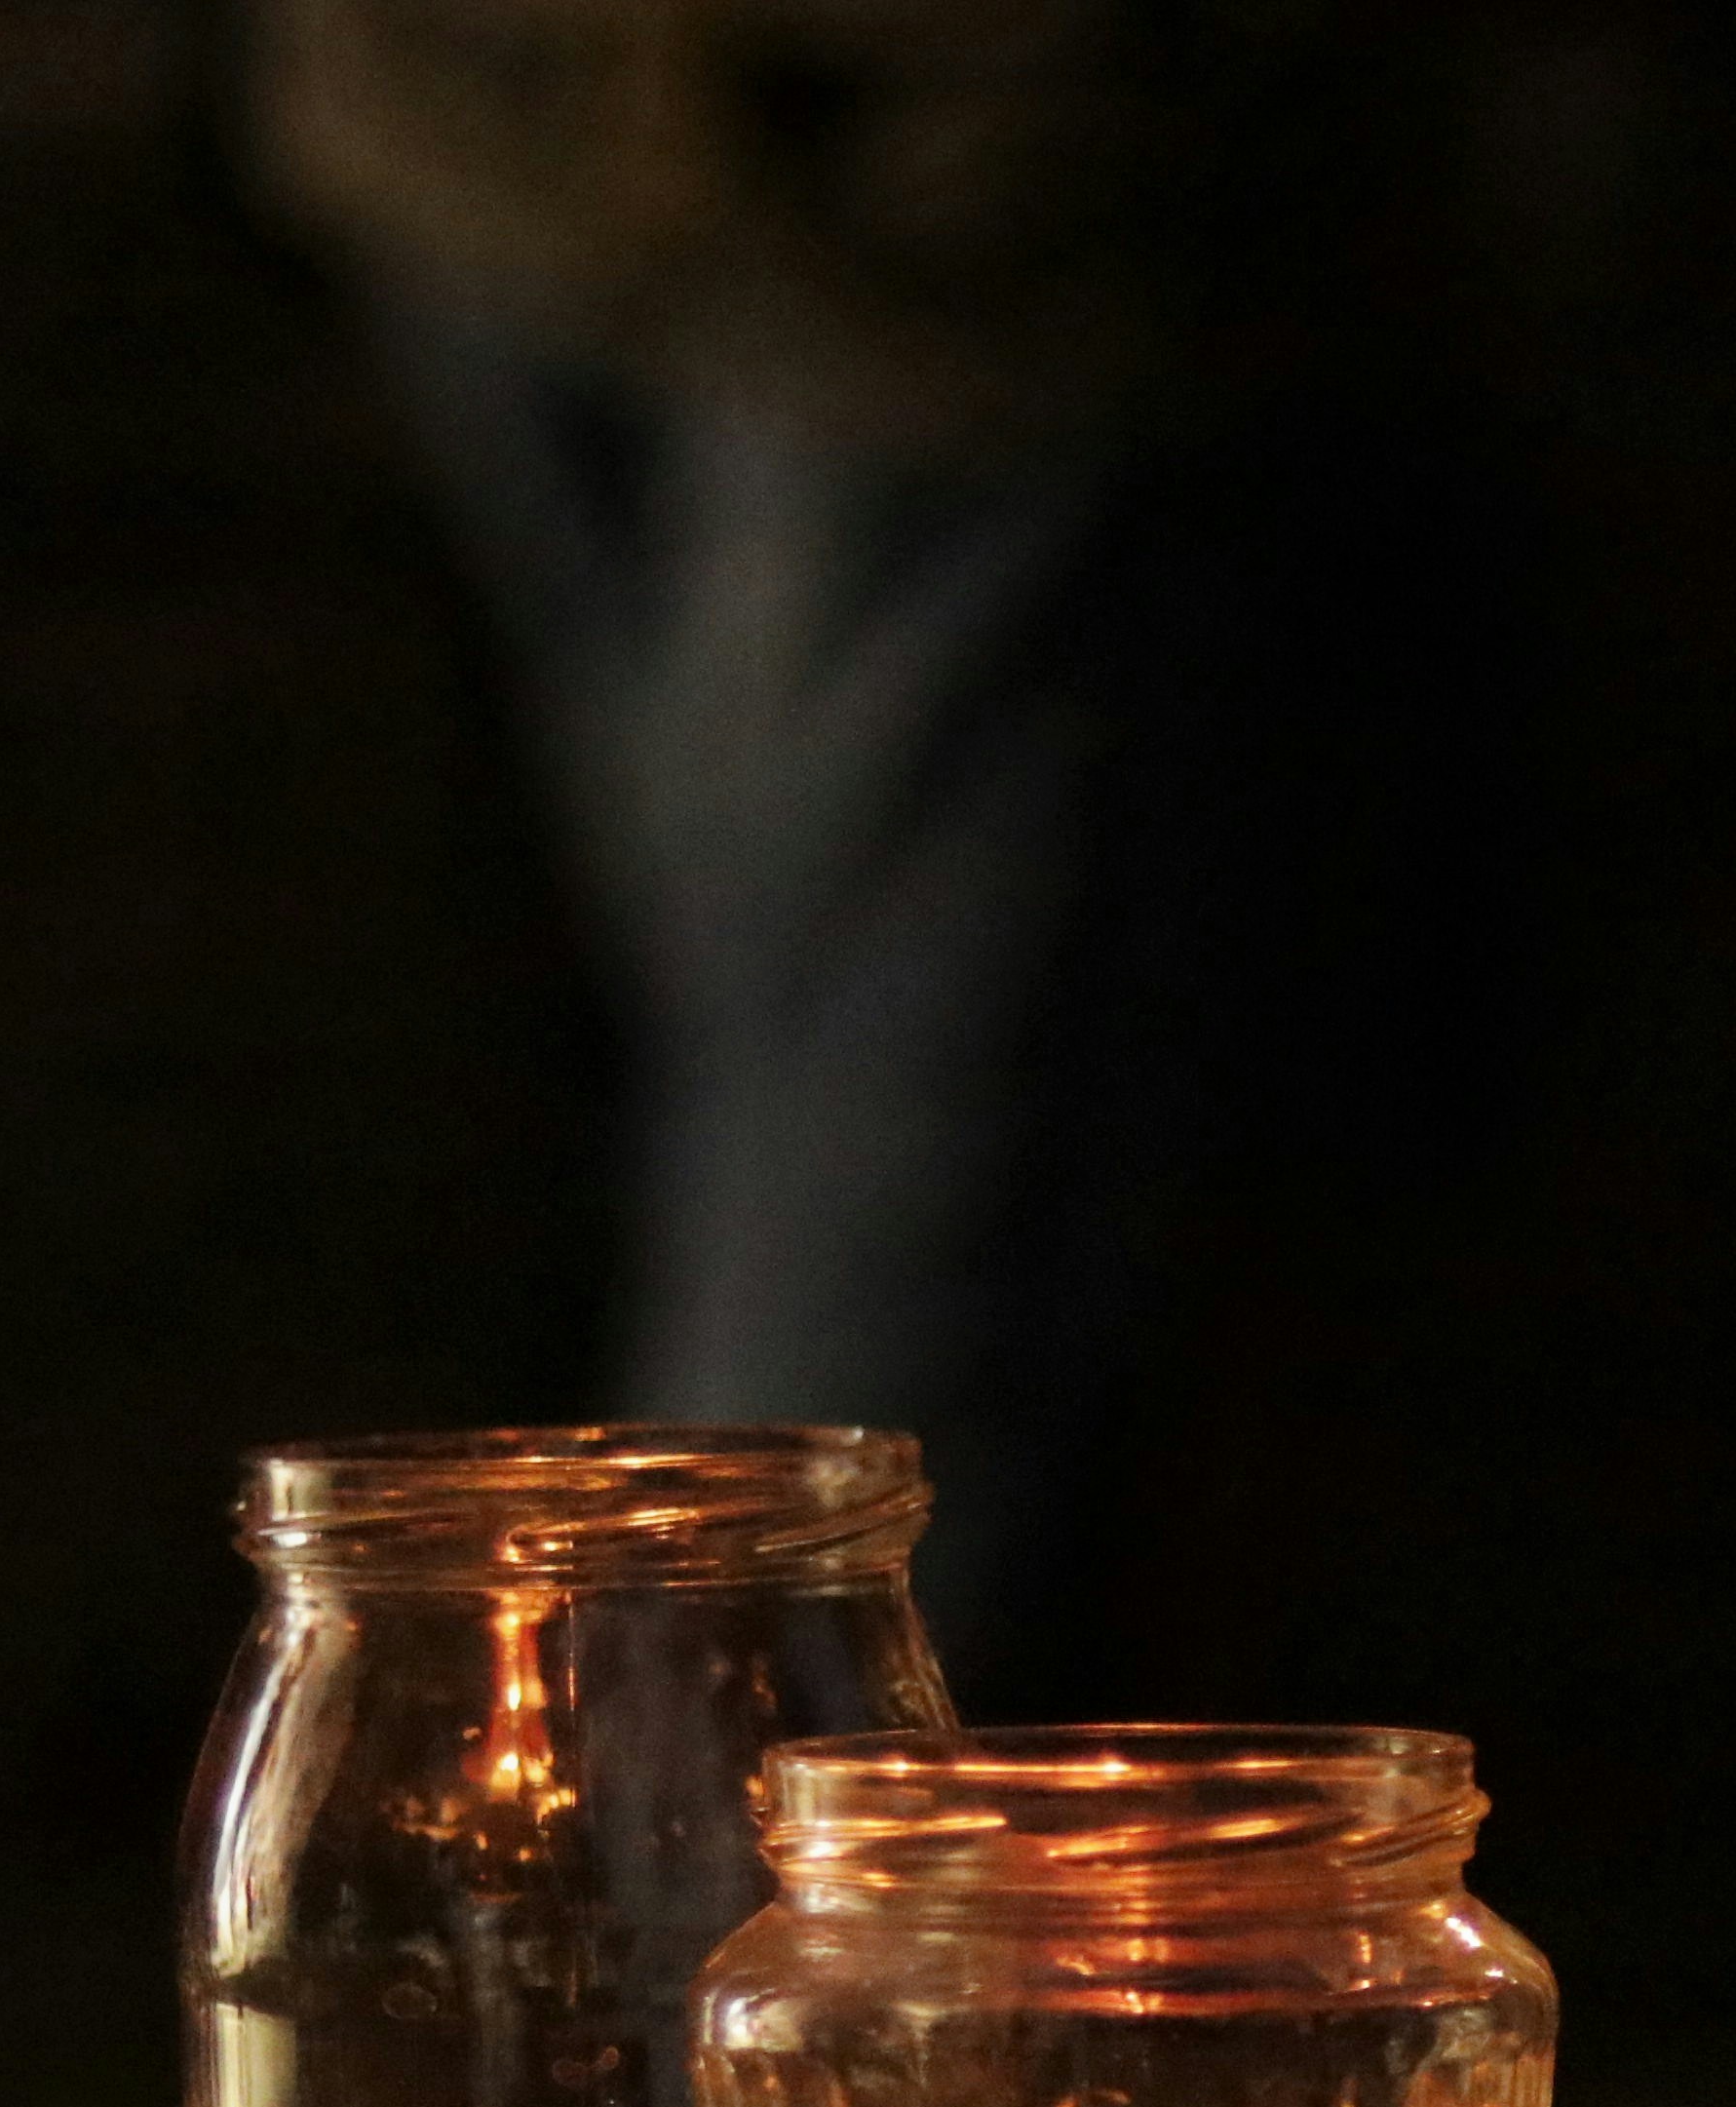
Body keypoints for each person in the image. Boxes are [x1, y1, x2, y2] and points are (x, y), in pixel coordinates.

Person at [244, 0, 1493, 1704]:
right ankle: (732, 1890)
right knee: (878, 1211)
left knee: (836, 1125)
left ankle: (708, 1870)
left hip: (558, 111)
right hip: (929, 164)